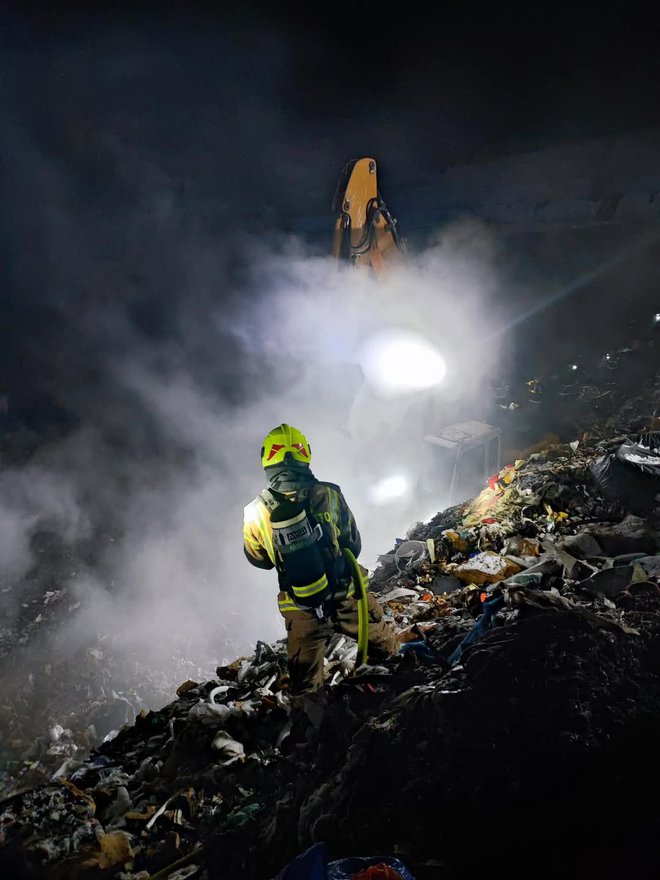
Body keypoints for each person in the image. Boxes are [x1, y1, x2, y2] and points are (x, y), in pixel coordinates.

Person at [243, 423, 400, 694]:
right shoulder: (330, 494)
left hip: (302, 609)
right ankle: (394, 698)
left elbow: (259, 560)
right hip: (350, 597)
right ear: (306, 455)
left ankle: (315, 729)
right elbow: (354, 544)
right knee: (389, 652)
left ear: (267, 459)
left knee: (305, 687)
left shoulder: (254, 511)